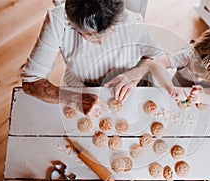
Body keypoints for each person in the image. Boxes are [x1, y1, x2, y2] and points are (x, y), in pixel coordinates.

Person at [21, 0, 161, 118]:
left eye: (107, 32)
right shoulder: (58, 20)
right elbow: (31, 81)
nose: (97, 42)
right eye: (84, 33)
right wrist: (73, 99)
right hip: (80, 89)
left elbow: (160, 57)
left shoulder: (131, 20)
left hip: (129, 92)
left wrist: (138, 71)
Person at [145, 27, 210, 108]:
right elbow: (156, 64)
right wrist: (171, 87)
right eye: (195, 73)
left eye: (205, 78)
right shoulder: (188, 55)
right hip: (179, 89)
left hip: (206, 99)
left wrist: (203, 97)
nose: (198, 79)